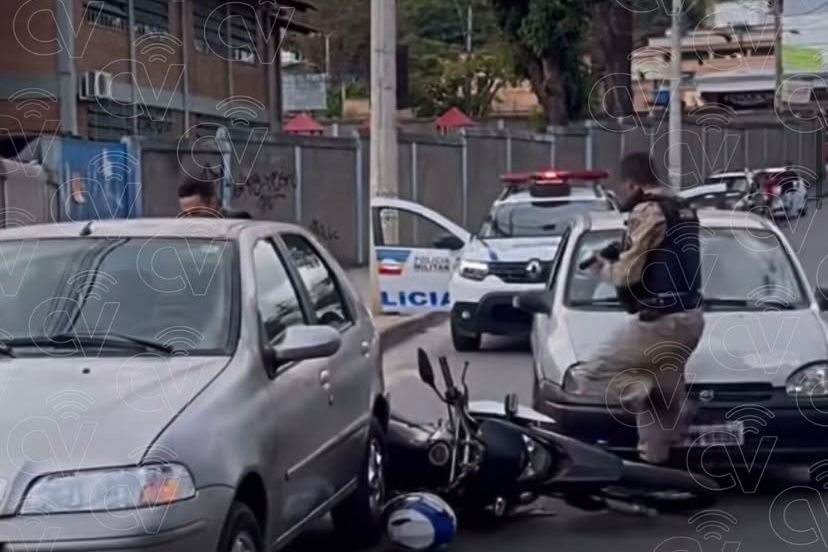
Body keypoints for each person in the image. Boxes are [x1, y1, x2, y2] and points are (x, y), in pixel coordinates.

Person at [573, 152, 705, 465]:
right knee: (656, 412)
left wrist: (600, 268)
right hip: (691, 319)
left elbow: (627, 273)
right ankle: (656, 470)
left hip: (661, 321)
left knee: (590, 376)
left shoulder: (649, 211)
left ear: (632, 184)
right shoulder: (683, 208)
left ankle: (660, 396)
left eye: (623, 187)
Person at [177, 178, 252, 219]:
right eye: (186, 214)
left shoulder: (236, 221)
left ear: (212, 203)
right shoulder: (183, 224)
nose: (190, 218)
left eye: (195, 213)